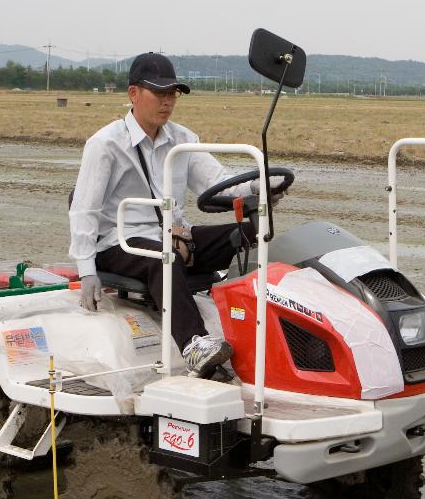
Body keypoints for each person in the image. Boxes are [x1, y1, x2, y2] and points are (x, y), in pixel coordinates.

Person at [69, 52, 276, 379]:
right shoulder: (106, 144)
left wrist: (259, 188)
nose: (168, 101)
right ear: (133, 94)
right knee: (164, 258)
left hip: (174, 237)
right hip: (119, 243)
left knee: (251, 233)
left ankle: (260, 327)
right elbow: (84, 209)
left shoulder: (183, 140)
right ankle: (195, 345)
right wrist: (86, 271)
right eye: (159, 92)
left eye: (172, 94)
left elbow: (217, 182)